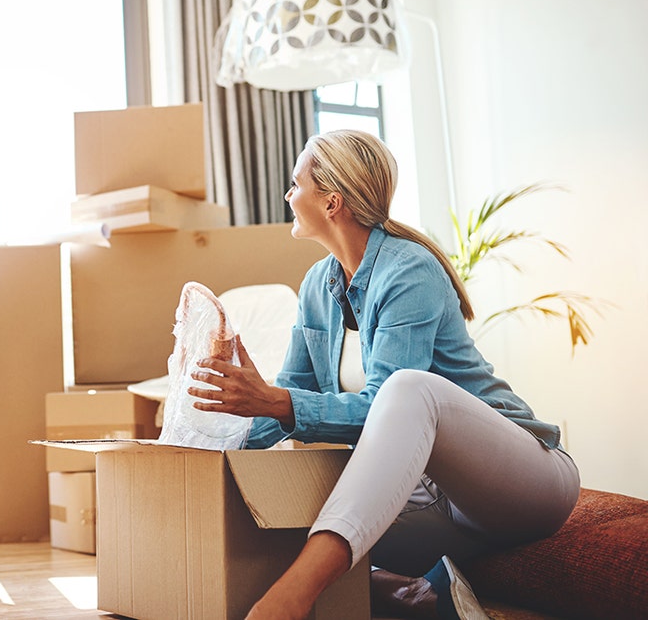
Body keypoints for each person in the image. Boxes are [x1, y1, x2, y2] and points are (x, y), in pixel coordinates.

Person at [188, 129, 579, 619]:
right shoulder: (317, 285)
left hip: (523, 484)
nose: (289, 195)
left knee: (408, 388)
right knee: (276, 527)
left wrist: (273, 402)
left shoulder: (408, 271)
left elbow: (381, 405)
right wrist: (217, 440)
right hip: (435, 505)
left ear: (332, 202)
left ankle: (287, 603)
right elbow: (290, 393)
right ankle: (417, 594)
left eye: (296, 184)